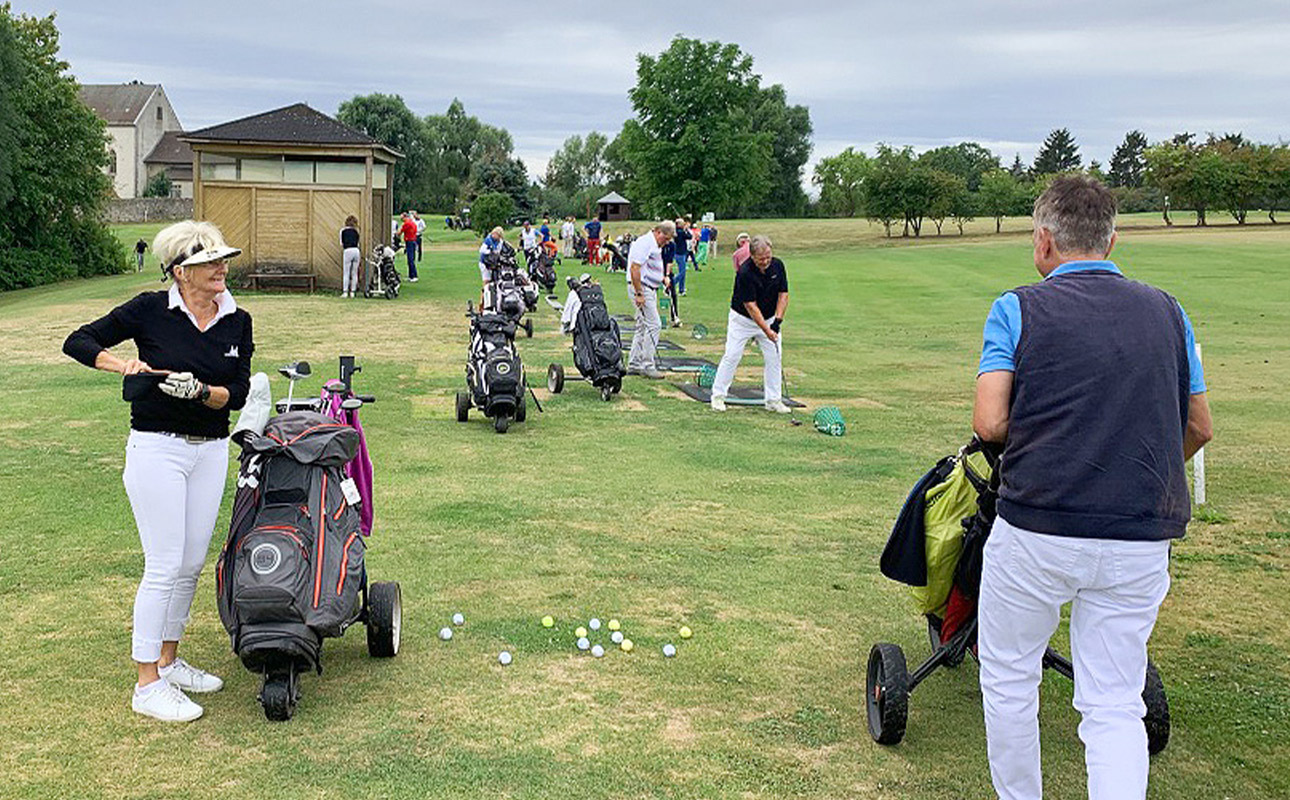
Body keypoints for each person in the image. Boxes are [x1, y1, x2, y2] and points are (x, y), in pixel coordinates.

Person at [972, 176, 1212, 800]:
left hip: (1036, 527)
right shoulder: (1169, 310)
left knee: (1009, 680)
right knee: (1113, 701)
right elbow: (1197, 426)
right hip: (1139, 532)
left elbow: (990, 422)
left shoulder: (1017, 307)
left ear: (1045, 241)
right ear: (1112, 238)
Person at [62, 220, 255, 722]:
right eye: (208, 262)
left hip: (208, 450)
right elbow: (79, 341)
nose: (221, 269)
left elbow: (235, 393)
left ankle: (168, 662)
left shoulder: (238, 319)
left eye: (221, 260)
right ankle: (146, 683)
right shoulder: (151, 309)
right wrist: (123, 366)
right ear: (179, 271)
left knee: (191, 562)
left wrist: (203, 393)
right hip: (157, 450)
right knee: (165, 563)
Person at [711, 235, 790, 413]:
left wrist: (777, 321)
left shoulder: (778, 265)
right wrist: (767, 330)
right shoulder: (745, 272)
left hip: (770, 317)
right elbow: (751, 306)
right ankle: (718, 396)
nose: (766, 261)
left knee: (774, 357)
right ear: (752, 256)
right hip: (743, 320)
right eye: (761, 259)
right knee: (732, 355)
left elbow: (783, 294)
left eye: (768, 257)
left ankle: (773, 400)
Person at [625, 220, 676, 378]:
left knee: (642, 325)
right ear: (658, 232)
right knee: (654, 325)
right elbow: (635, 268)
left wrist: (661, 278)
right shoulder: (645, 243)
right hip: (642, 288)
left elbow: (648, 267)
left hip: (648, 286)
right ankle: (647, 365)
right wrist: (639, 293)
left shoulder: (653, 244)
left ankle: (634, 363)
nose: (666, 243)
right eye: (665, 239)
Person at [477, 226, 505, 307]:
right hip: (485, 264)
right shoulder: (488, 240)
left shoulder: (499, 241)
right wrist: (491, 251)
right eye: (497, 235)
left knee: (495, 282)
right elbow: (482, 250)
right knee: (487, 283)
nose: (497, 237)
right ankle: (482, 302)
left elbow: (499, 250)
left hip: (493, 264)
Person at [661, 235, 681, 328]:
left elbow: (670, 261)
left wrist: (667, 275)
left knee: (672, 293)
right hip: (655, 271)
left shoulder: (672, 245)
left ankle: (675, 316)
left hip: (666, 271)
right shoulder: (657, 245)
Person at [340, 215, 361, 298]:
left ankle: (345, 292)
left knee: (346, 272)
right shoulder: (356, 232)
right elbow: (358, 243)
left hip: (347, 250)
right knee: (354, 272)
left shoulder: (343, 231)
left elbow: (341, 243)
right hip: (356, 250)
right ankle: (353, 292)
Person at [673, 217, 691, 296]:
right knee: (682, 272)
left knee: (683, 273)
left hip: (680, 253)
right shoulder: (680, 232)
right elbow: (689, 236)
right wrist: (686, 229)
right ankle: (671, 284)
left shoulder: (676, 231)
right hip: (680, 254)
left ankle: (681, 289)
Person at [399, 212, 419, 282]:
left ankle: (414, 276)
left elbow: (399, 232)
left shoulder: (407, 224)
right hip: (413, 241)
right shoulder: (412, 222)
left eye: (402, 218)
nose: (401, 220)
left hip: (409, 242)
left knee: (410, 259)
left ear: (405, 217)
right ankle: (411, 276)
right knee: (411, 259)